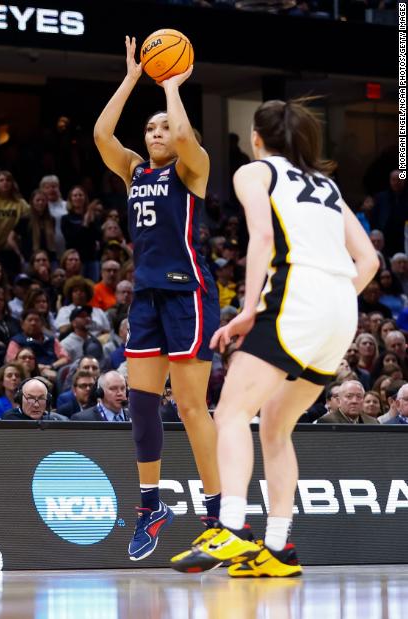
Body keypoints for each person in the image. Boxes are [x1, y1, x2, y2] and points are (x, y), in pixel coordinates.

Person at [170, 99, 379, 577]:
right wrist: (331, 300)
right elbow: (368, 261)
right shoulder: (327, 186)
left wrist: (247, 311)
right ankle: (279, 548)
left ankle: (232, 529)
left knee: (231, 412)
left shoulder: (256, 172)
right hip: (341, 308)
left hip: (296, 294)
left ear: (257, 137)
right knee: (275, 427)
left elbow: (262, 238)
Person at [94, 36, 222, 561]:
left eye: (161, 126)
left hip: (188, 294)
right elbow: (103, 133)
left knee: (192, 407)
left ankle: (217, 515)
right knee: (142, 407)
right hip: (146, 297)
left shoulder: (193, 168)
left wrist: (171, 85)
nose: (155, 133)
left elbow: (186, 132)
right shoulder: (135, 172)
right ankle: (151, 506)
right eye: (149, 128)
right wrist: (130, 78)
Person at [3, 377, 68, 421]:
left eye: (41, 398)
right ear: (20, 399)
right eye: (30, 398)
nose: (36, 405)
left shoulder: (57, 420)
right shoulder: (9, 420)